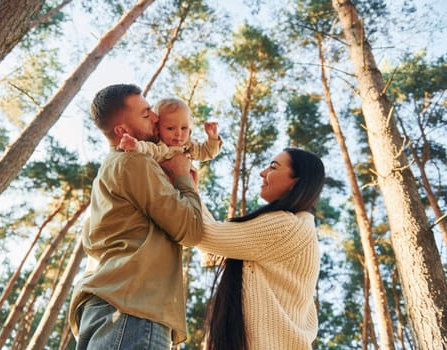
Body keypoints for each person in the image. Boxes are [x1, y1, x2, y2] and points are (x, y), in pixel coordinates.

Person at [68, 84, 204, 349]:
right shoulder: (134, 162)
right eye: (145, 115)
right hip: (133, 308)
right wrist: (183, 179)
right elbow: (191, 230)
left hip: (106, 305)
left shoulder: (111, 168)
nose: (155, 117)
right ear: (122, 131)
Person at [198, 148, 325, 350]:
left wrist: (183, 182)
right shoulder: (300, 228)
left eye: (273, 167)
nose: (263, 172)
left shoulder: (287, 227)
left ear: (296, 181)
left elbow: (204, 234)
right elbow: (212, 250)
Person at [117, 97, 222, 162]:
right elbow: (148, 149)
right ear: (158, 129)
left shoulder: (190, 146)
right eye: (170, 128)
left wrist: (212, 138)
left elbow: (207, 153)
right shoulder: (160, 147)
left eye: (184, 128)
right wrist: (136, 145)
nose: (178, 133)